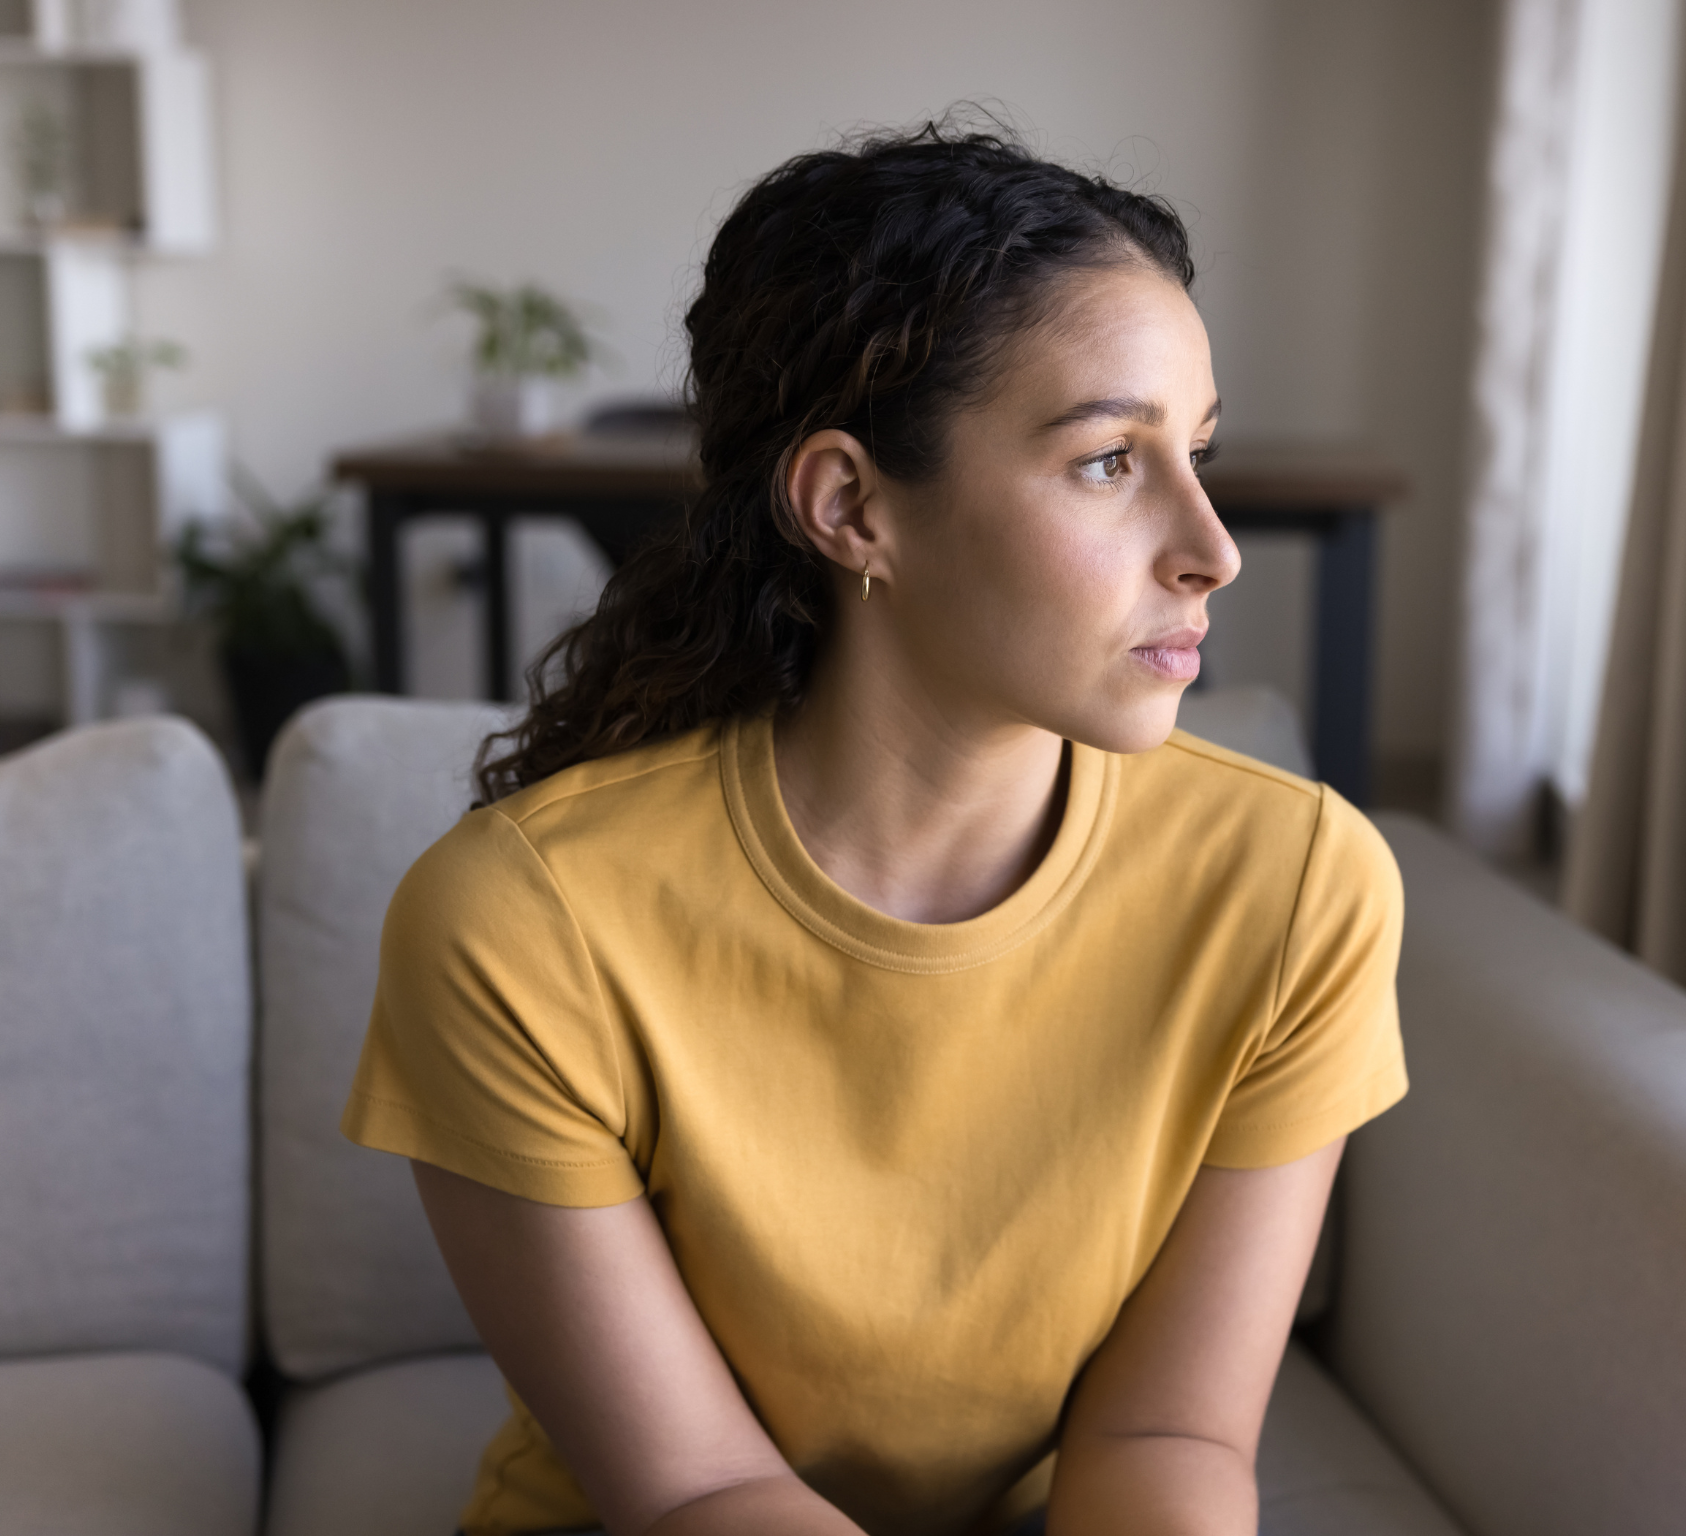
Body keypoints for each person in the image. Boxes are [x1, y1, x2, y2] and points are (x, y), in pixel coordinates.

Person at [342, 119, 1406, 1536]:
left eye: (1199, 452)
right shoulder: (520, 924)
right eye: (1108, 462)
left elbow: (1168, 1437)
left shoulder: (1297, 887)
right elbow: (698, 1488)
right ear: (851, 505)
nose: (1212, 546)